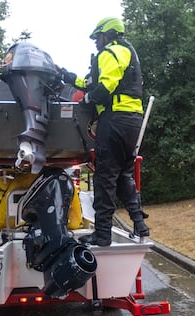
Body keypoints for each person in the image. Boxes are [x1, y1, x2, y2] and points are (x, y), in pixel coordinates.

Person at [59, 16, 149, 246]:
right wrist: (69, 77)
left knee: (105, 177)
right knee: (123, 174)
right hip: (131, 121)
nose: (96, 43)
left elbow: (105, 87)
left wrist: (87, 101)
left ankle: (102, 234)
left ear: (107, 34)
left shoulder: (109, 53)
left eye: (97, 38)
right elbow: (90, 81)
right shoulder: (124, 53)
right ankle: (140, 223)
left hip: (115, 119)